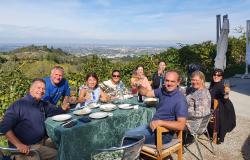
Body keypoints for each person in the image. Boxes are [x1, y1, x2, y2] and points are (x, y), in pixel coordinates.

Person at [0, 78, 70, 160]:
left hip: (41, 141)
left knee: (64, 145)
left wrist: (63, 108)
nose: (41, 90)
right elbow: (5, 126)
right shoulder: (19, 105)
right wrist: (18, 144)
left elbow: (55, 110)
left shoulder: (42, 104)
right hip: (25, 148)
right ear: (31, 89)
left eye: (43, 89)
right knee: (59, 155)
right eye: (38, 88)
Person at [125, 70, 188, 144]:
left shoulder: (180, 100)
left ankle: (125, 155)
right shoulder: (163, 90)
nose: (169, 84)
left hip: (162, 134)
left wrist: (160, 122)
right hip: (151, 127)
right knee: (126, 133)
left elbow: (181, 125)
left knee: (129, 139)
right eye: (167, 80)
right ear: (164, 80)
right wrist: (138, 85)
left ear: (178, 82)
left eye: (172, 81)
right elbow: (147, 93)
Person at [208, 68, 236, 143]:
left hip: (224, 106)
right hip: (219, 105)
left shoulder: (221, 85)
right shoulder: (213, 83)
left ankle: (217, 136)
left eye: (218, 75)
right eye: (214, 74)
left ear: (221, 77)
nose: (216, 76)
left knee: (220, 120)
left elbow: (224, 96)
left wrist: (226, 93)